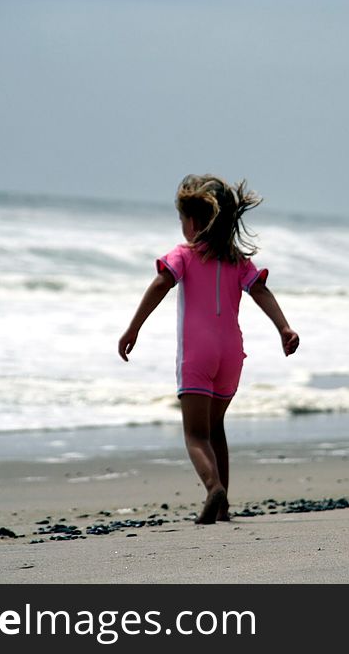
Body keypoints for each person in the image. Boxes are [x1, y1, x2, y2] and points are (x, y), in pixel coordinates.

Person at [118, 174, 299, 524]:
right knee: (216, 429)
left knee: (195, 434)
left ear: (194, 222)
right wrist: (284, 327)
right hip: (231, 355)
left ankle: (213, 487)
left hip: (197, 356)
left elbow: (160, 284)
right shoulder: (237, 260)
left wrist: (133, 327)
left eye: (183, 218)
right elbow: (260, 291)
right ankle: (224, 505)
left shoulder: (183, 255)